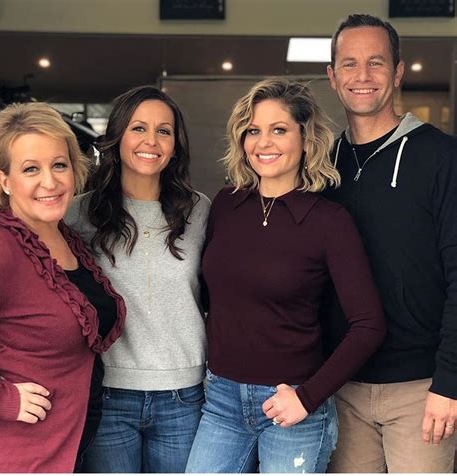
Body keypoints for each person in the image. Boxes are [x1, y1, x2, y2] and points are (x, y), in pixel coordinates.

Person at [185, 77, 385, 473]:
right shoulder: (226, 205)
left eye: (279, 130)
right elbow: (212, 298)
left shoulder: (330, 221)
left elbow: (369, 325)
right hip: (221, 397)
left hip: (293, 404)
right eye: (253, 131)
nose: (264, 143)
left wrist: (308, 397)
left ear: (306, 138)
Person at [323, 14, 457, 473]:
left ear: (398, 71)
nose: (362, 76)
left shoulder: (442, 158)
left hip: (421, 392)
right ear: (332, 76)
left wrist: (450, 383)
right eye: (349, 64)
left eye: (376, 63)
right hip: (340, 388)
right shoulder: (320, 166)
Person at [65, 85, 210, 473]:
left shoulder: (199, 211)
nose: (151, 141)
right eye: (138, 128)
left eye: (164, 131)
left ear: (176, 144)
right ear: (117, 137)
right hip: (108, 393)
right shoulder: (78, 214)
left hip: (184, 396)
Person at [0, 102, 126, 472]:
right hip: (21, 457)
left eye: (59, 165)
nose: (50, 182)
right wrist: (0, 400)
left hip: (74, 445)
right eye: (31, 169)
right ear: (4, 180)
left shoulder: (67, 238)